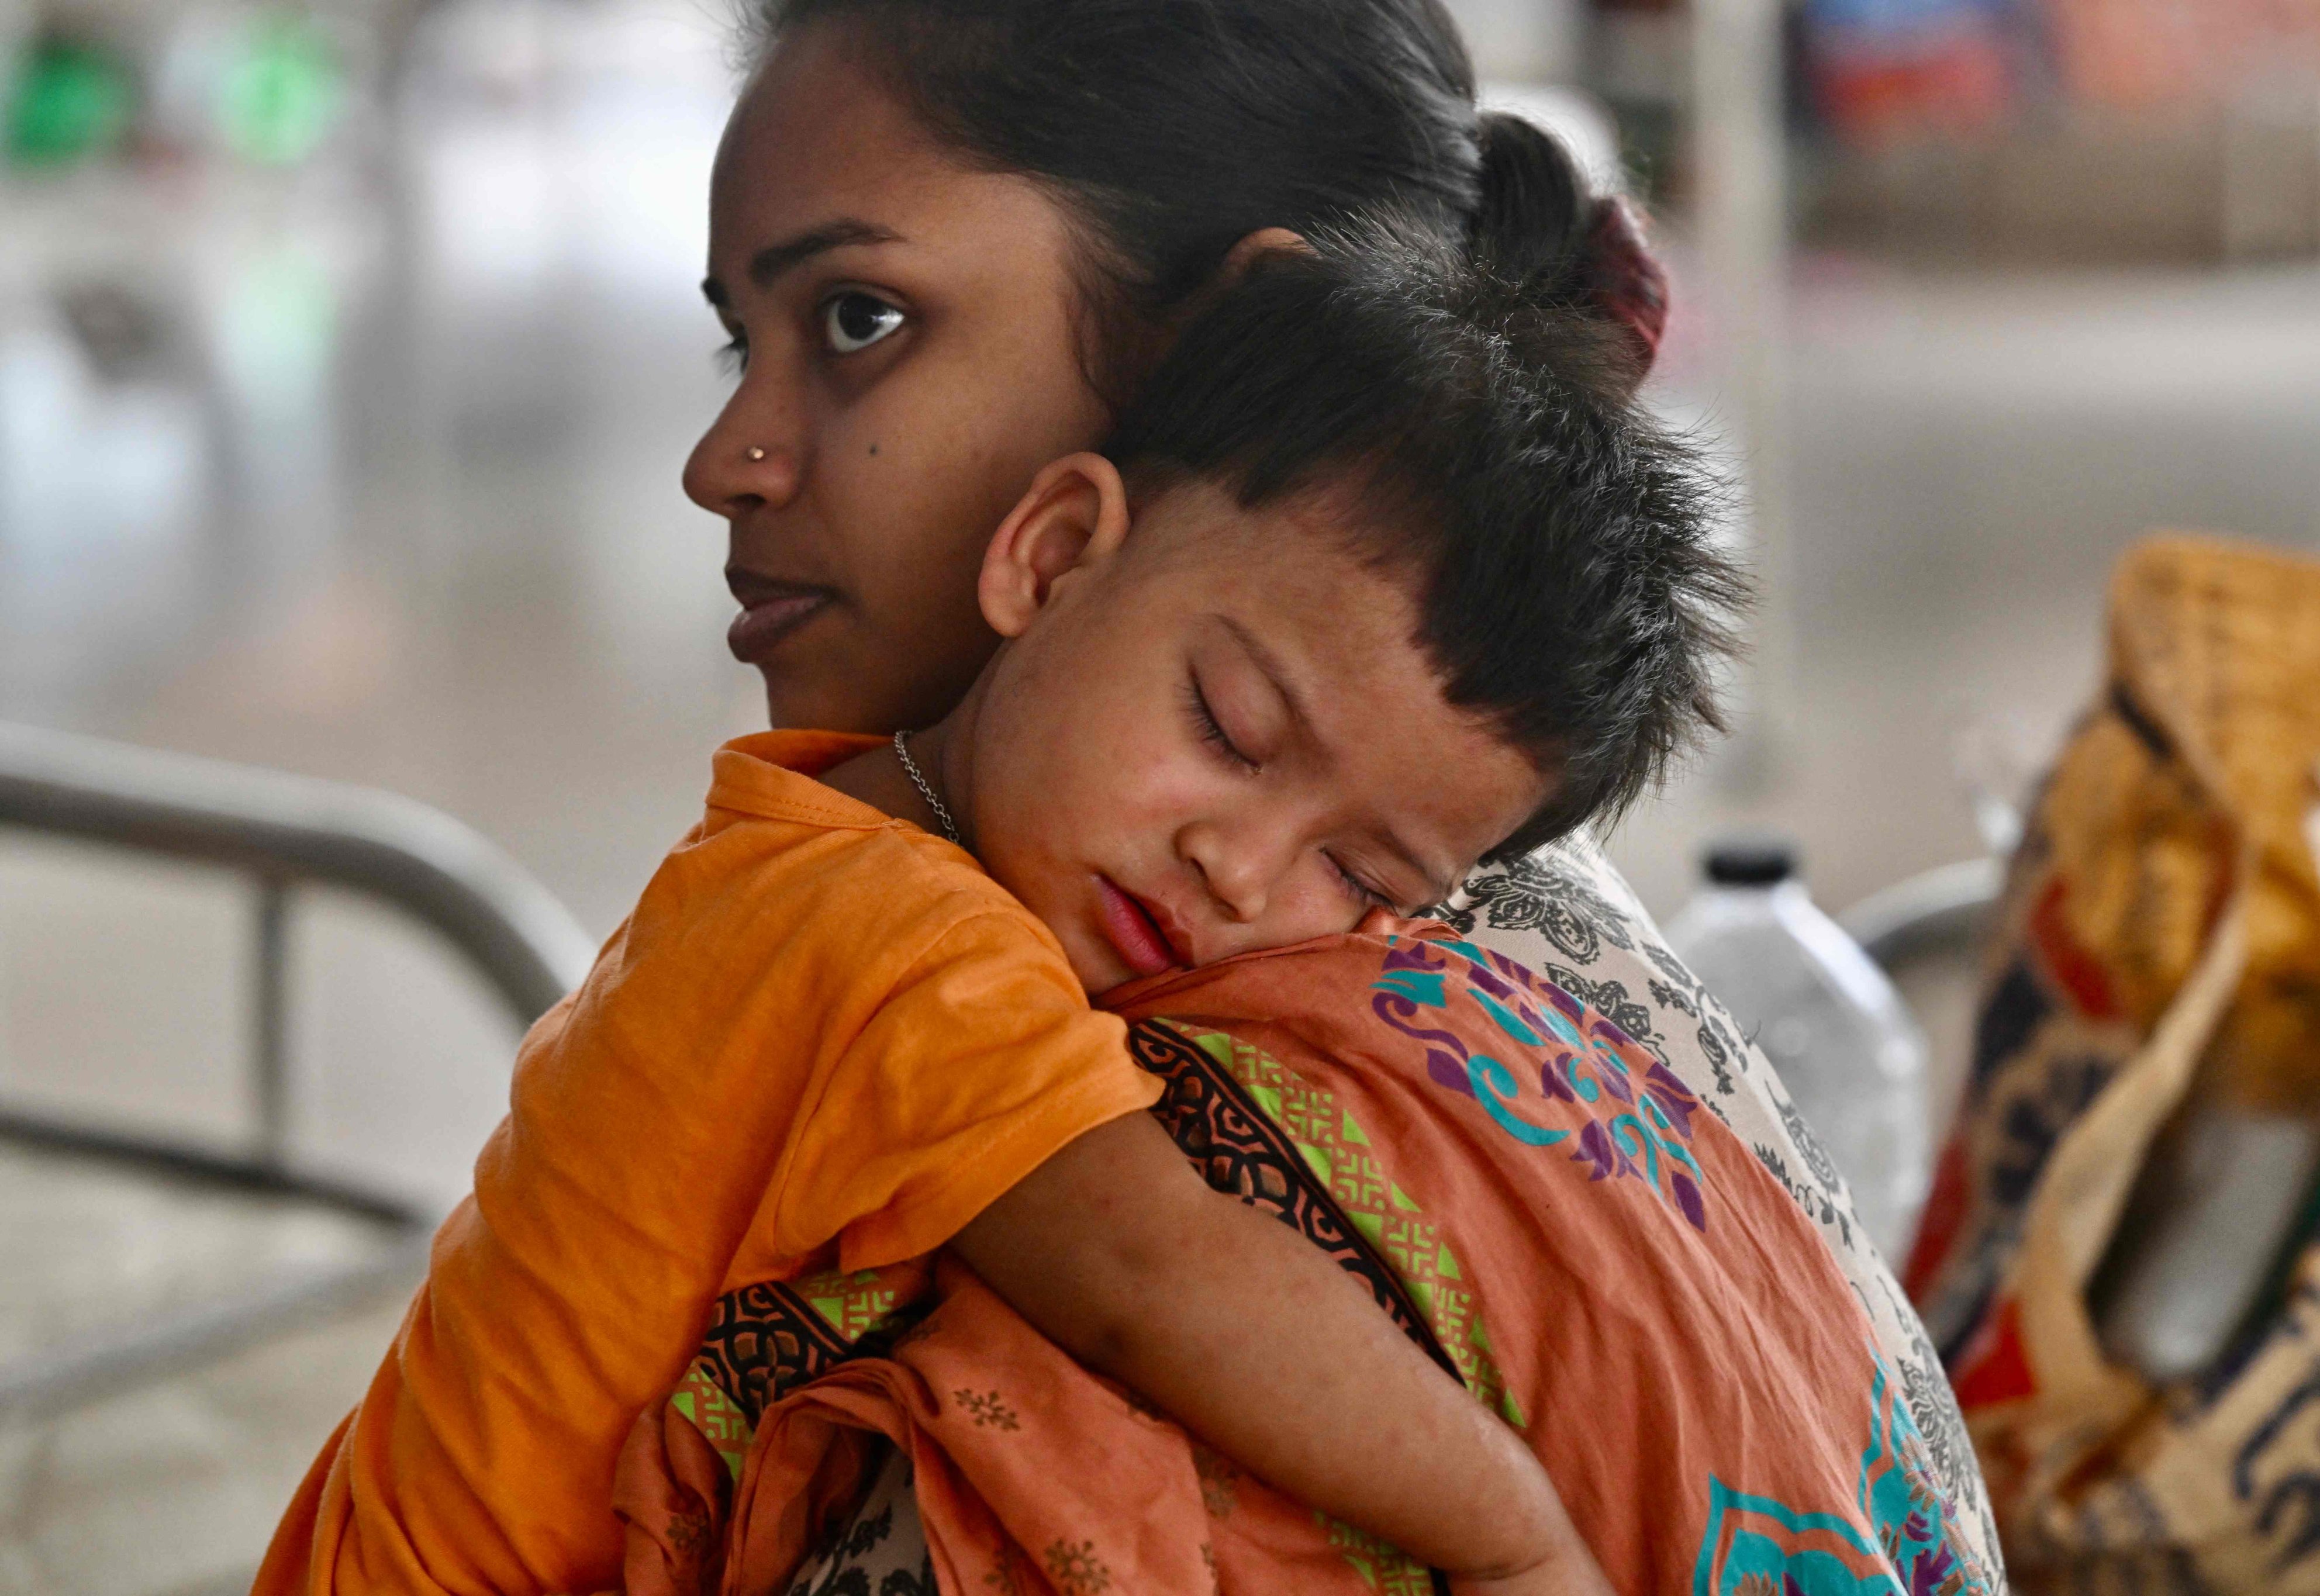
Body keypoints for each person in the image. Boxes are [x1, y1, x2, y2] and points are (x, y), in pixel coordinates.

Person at [259, 0, 2005, 1588]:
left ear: (1213, 334)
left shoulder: (1189, 1023)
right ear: (1061, 544)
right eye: (750, 341)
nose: (728, 458)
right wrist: (1518, 1540)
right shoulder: (894, 914)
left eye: (860, 321)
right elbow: (1145, 1263)